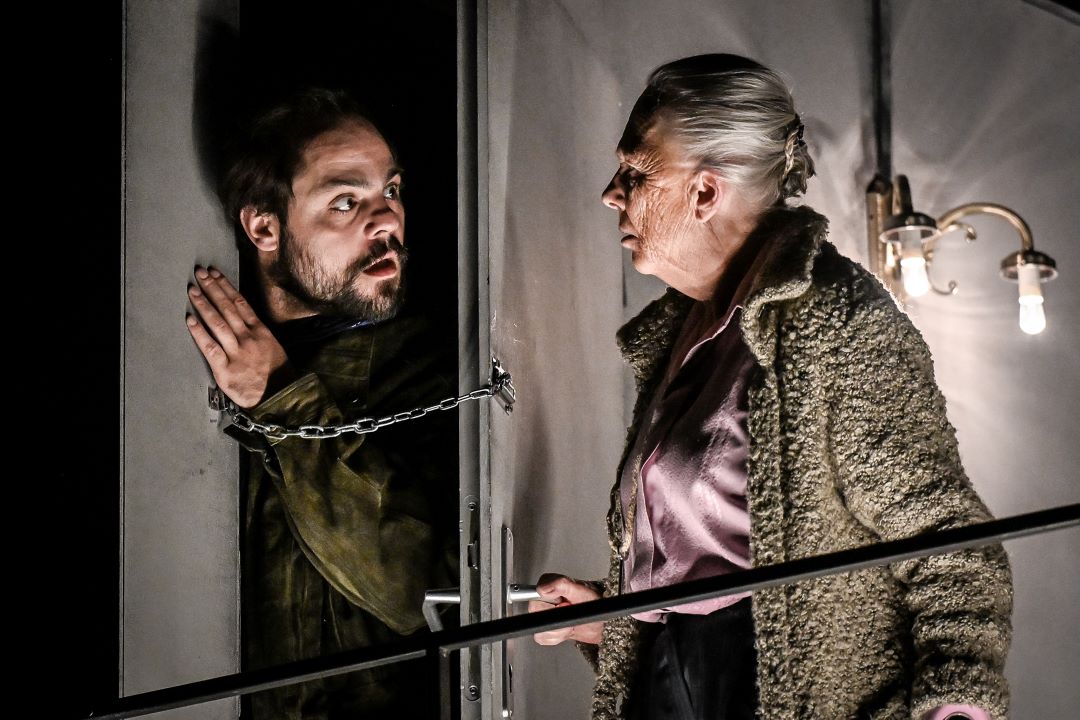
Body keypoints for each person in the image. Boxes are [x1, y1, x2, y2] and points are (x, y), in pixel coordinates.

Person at [527, 54, 1012, 720]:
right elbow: (706, 569)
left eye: (635, 173)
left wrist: (956, 704)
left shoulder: (837, 322)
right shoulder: (682, 333)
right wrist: (607, 618)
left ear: (705, 193)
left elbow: (949, 539)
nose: (612, 193)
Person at [184, 87, 459, 719]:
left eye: (391, 190)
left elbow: (417, 590)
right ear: (264, 228)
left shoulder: (435, 372)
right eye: (346, 201)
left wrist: (282, 399)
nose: (387, 220)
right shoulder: (211, 369)